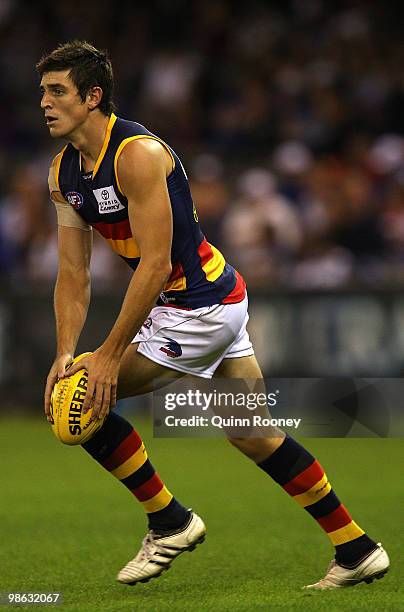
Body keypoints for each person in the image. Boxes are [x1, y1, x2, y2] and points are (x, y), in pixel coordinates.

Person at [38, 41, 389, 590]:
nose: (46, 102)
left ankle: (170, 520)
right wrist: (65, 350)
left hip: (195, 307)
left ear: (93, 97)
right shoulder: (63, 173)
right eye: (43, 91)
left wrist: (104, 357)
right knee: (252, 432)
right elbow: (72, 275)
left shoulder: (137, 155)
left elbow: (155, 265)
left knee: (77, 407)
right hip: (207, 301)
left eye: (58, 91)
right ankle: (356, 547)